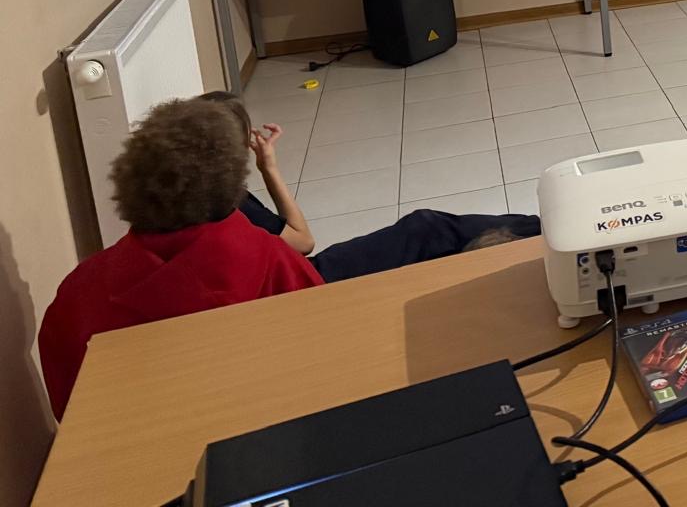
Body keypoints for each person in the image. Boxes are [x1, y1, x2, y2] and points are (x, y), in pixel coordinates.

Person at [39, 94, 542, 418]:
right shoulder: (249, 248)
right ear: (228, 186)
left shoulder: (75, 294)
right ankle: (548, 232)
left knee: (424, 230)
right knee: (426, 229)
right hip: (299, 342)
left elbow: (71, 410)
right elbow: (322, 324)